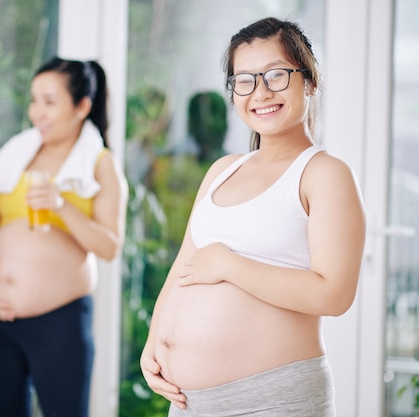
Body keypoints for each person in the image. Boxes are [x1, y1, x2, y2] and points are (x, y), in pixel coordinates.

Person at [140, 17, 366, 417]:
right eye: (244, 80)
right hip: (190, 402)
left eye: (276, 75)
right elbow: (185, 268)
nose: (260, 92)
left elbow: (334, 294)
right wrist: (154, 342)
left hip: (273, 400)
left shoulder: (323, 174)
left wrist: (230, 265)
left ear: (309, 81)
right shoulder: (222, 169)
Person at [0, 57, 128, 417]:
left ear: (82, 106)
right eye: (34, 100)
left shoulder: (101, 164)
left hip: (60, 323)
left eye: (49, 102)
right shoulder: (14, 155)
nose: (37, 112)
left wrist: (60, 205)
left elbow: (109, 246)